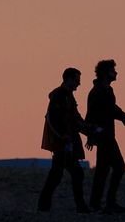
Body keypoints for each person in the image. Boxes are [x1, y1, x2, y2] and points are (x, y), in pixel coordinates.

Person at [85, 59, 125, 213]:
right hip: (104, 137)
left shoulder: (106, 90)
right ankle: (107, 202)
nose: (116, 73)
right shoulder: (98, 91)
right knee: (118, 166)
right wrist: (91, 135)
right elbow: (90, 115)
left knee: (103, 170)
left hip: (107, 136)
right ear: (106, 73)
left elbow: (113, 110)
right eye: (113, 70)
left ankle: (97, 203)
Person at [37, 67, 93, 213]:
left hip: (66, 143)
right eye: (77, 80)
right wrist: (63, 136)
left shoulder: (67, 96)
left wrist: (88, 129)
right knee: (64, 174)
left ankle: (45, 206)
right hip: (62, 144)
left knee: (63, 174)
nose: (79, 84)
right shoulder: (59, 96)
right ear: (69, 79)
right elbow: (55, 119)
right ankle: (78, 206)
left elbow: (75, 118)